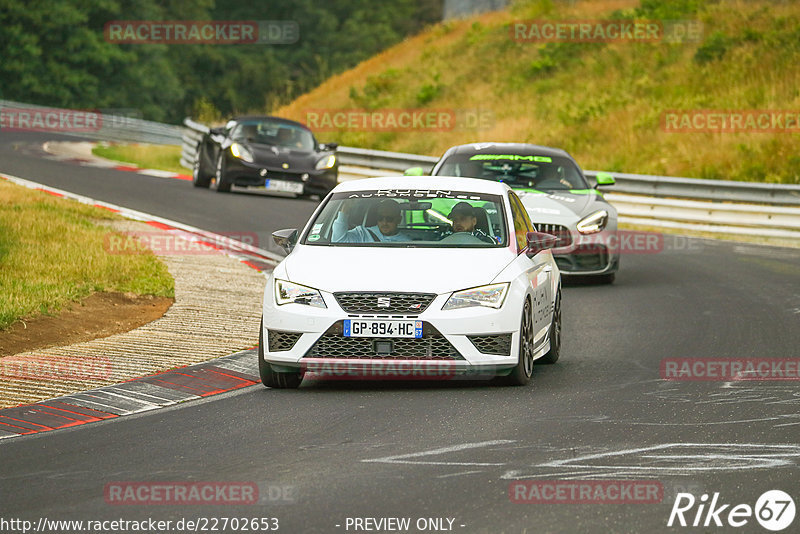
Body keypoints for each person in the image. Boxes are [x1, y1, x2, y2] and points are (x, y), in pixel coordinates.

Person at [332, 199, 409, 243]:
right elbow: (338, 240)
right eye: (380, 218)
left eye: (389, 219)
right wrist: (345, 210)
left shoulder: (406, 243)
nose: (384, 223)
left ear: (399, 220)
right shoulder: (363, 233)